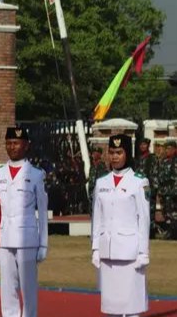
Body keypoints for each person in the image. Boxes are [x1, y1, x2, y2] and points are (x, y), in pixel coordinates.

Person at [0, 126, 48, 317]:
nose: (12, 147)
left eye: (16, 143)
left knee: (28, 288)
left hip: (27, 239)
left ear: (26, 145)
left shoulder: (36, 174)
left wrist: (43, 244)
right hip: (4, 238)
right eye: (9, 143)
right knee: (7, 289)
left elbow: (42, 211)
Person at [92, 134, 150, 316]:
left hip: (130, 252)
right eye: (111, 152)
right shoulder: (101, 182)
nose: (114, 157)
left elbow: (144, 219)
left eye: (119, 152)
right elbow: (97, 218)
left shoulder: (139, 182)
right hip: (107, 251)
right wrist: (95, 248)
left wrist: (143, 252)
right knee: (112, 306)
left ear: (127, 154)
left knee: (132, 306)